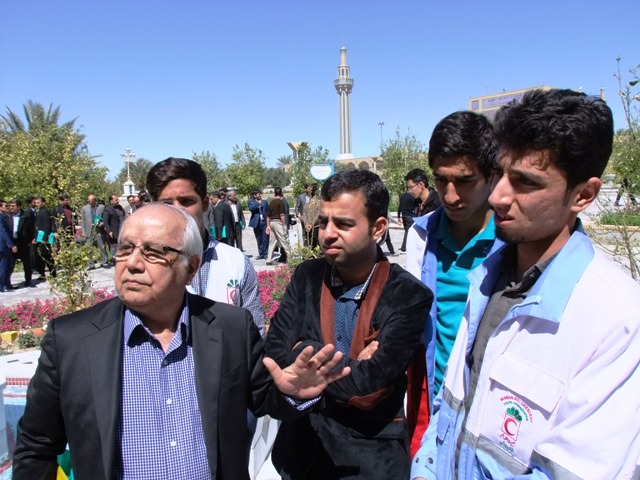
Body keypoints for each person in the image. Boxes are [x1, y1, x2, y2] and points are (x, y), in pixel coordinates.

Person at [12, 203, 350, 480]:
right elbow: (37, 446)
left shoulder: (230, 327)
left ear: (191, 268)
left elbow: (264, 400)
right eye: (125, 249)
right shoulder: (71, 339)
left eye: (153, 252)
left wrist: (293, 394)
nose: (132, 264)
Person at [412, 89, 640, 479]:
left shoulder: (617, 319)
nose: (499, 196)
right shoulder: (486, 280)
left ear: (583, 195)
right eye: (501, 174)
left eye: (525, 182)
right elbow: (449, 410)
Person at [265, 170, 433, 479]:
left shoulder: (408, 295)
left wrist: (302, 350)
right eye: (323, 222)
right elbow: (274, 349)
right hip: (302, 454)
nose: (328, 234)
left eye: (343, 224)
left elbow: (371, 385)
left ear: (378, 228)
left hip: (370, 460)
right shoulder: (307, 276)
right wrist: (349, 363)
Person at [405, 111, 500, 454]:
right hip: (435, 407)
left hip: (492, 420)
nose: (450, 195)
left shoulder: (513, 242)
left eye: (464, 181)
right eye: (440, 180)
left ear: (493, 175)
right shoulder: (421, 236)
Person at [147, 157, 265, 334]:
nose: (178, 210)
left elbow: (255, 334)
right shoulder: (140, 265)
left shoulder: (236, 262)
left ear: (205, 203)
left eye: (186, 201)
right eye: (167, 204)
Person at [8, 199, 36, 287]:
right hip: (13, 242)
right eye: (10, 206)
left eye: (13, 206)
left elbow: (32, 228)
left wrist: (32, 239)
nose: (11, 208)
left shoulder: (26, 216)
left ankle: (28, 280)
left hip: (24, 242)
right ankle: (7, 282)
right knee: (10, 263)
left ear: (19, 207)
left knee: (26, 263)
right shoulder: (8, 216)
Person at [266, 187, 292, 265]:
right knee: (284, 240)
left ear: (274, 193)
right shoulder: (281, 202)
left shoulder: (271, 202)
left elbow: (268, 216)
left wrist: (268, 226)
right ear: (281, 193)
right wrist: (284, 225)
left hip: (271, 222)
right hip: (278, 222)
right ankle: (290, 257)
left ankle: (268, 259)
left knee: (272, 242)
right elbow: (282, 215)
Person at [34, 196, 56, 279]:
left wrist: (45, 239)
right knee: (41, 256)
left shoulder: (45, 212)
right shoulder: (39, 211)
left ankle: (53, 273)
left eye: (38, 203)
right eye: (36, 203)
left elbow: (47, 225)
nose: (37, 204)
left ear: (43, 203)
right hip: (40, 236)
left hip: (44, 237)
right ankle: (42, 273)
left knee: (46, 255)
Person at [0, 201, 17, 292]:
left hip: (5, 246)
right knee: (3, 266)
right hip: (3, 246)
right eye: (5, 206)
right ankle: (2, 286)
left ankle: (7, 283)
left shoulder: (4, 216)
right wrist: (11, 245)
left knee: (9, 264)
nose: (7, 207)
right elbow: (3, 232)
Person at [248, 190, 269, 260]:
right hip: (256, 223)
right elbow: (251, 209)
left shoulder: (265, 202)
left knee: (265, 239)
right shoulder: (251, 202)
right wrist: (258, 204)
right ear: (255, 195)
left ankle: (265, 254)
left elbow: (268, 211)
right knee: (259, 239)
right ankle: (261, 253)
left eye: (260, 194)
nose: (260, 195)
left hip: (264, 222)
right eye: (258, 194)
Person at [102, 195, 125, 259]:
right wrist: (109, 231)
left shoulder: (120, 207)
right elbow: (105, 221)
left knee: (121, 245)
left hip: (122, 230)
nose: (118, 201)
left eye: (118, 199)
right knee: (113, 246)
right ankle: (114, 259)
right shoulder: (108, 209)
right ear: (111, 201)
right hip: (114, 231)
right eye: (116, 200)